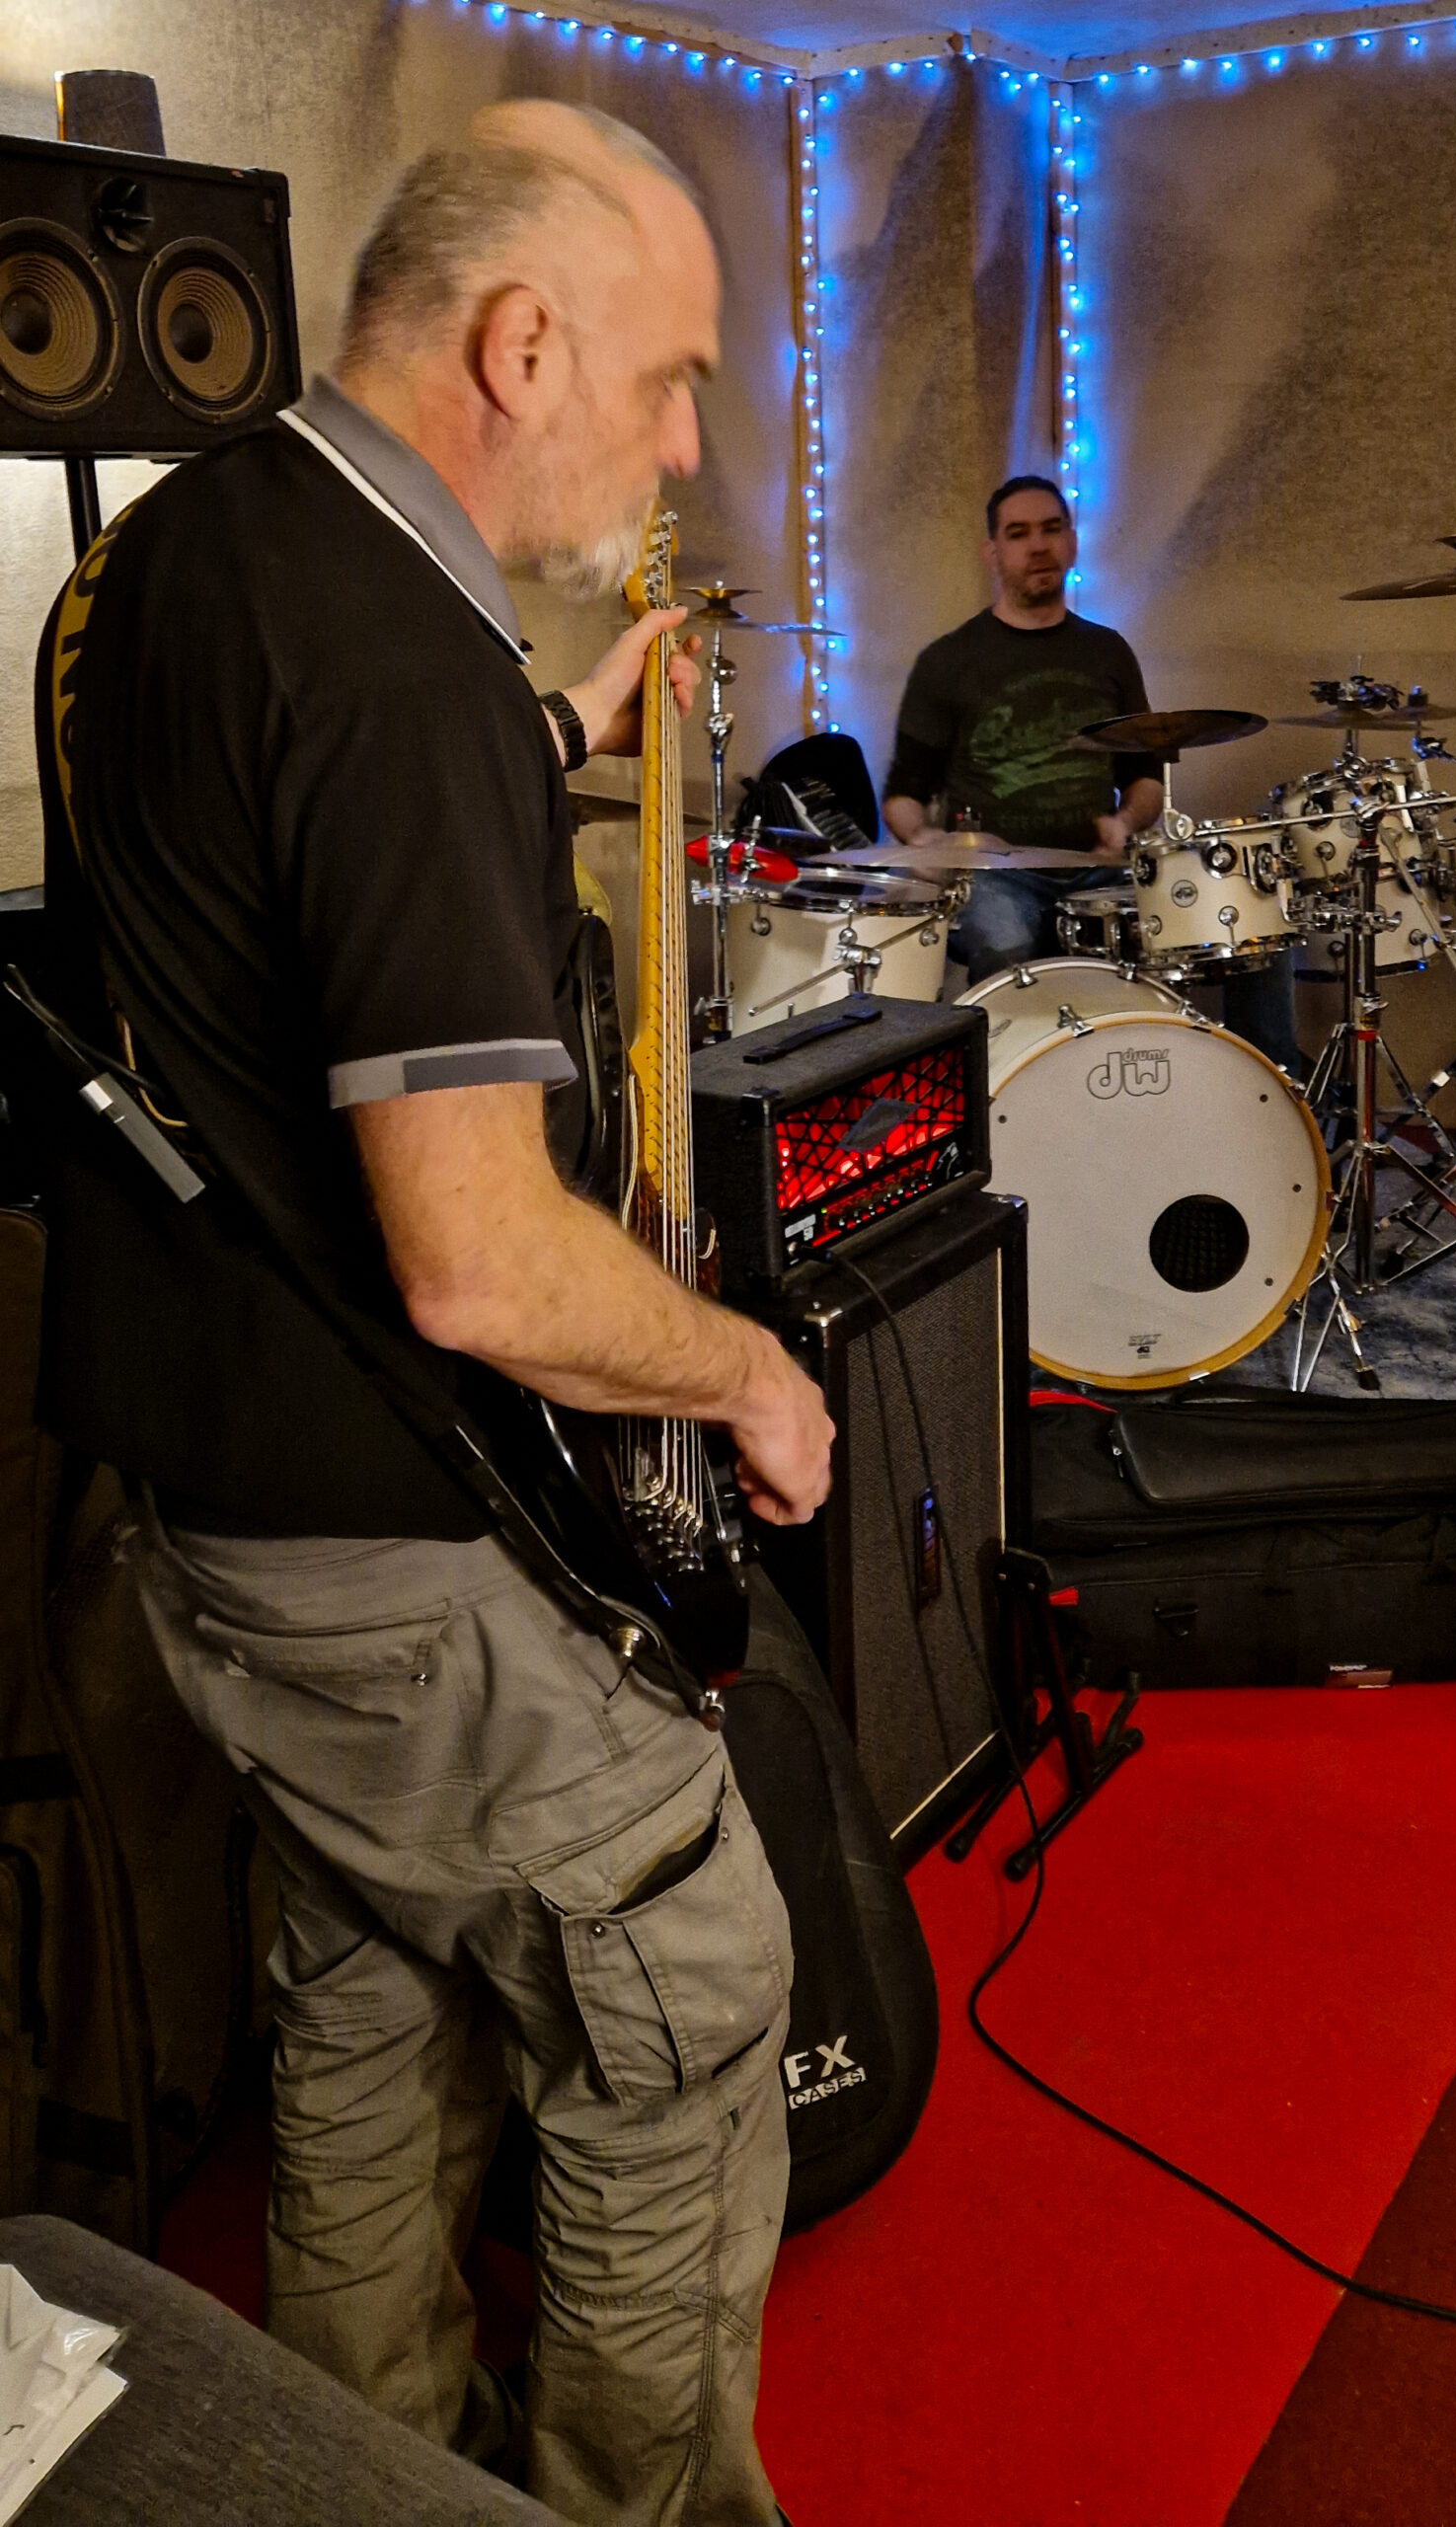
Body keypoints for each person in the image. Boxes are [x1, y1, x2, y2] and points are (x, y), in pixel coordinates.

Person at [34, 104, 832, 2527]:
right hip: (393, 1545)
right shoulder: (393, 659)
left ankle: (364, 2480)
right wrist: (747, 1366)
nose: (679, 443)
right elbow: (477, 1255)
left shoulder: (191, 552)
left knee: (372, 1993)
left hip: (208, 1524)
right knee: (685, 1990)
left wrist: (560, 726)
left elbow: (294, 842)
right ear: (520, 343)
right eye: (670, 379)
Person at [881, 475, 1299, 1073]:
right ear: (992, 552)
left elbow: (1145, 777)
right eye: (1018, 533)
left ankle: (1269, 1091)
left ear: (1072, 542)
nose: (1038, 545)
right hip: (999, 877)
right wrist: (924, 838)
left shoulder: (1107, 652)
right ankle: (1012, 1093)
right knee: (1006, 941)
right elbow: (903, 793)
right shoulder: (948, 660)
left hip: (1099, 871)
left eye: (1051, 529)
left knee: (1246, 921)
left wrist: (1126, 821)